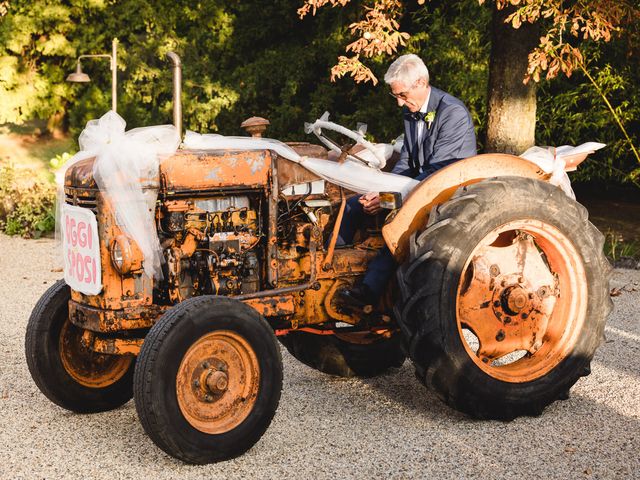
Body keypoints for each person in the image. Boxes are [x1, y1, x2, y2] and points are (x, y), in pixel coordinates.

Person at [337, 53, 477, 308]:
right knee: (352, 205)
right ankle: (335, 274)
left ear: (421, 83)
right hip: (419, 186)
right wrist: (381, 190)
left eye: (402, 95)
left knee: (401, 226)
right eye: (396, 96)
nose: (399, 102)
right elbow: (408, 161)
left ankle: (368, 291)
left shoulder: (452, 113)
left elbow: (439, 172)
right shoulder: (412, 112)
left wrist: (389, 198)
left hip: (447, 192)